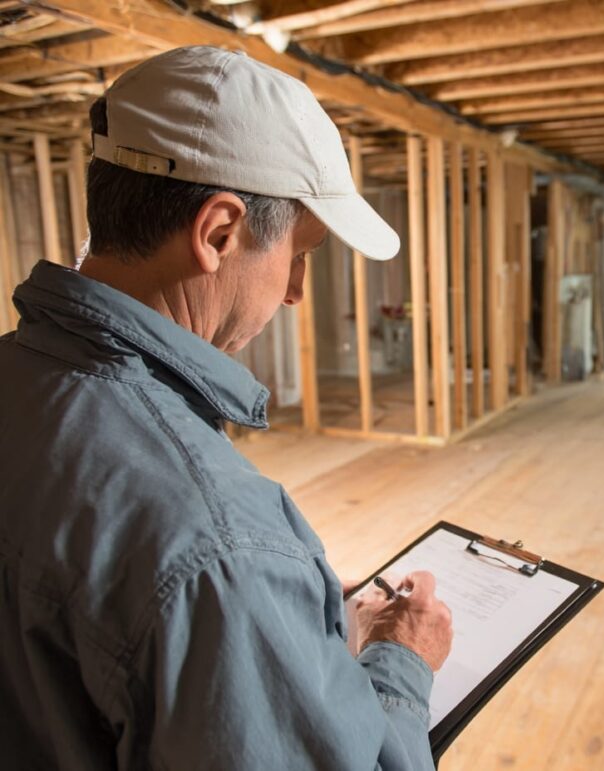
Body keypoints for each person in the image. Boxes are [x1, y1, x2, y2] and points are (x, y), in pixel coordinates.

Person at [0, 46, 452, 769]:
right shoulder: (221, 543)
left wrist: (281, 616)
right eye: (299, 252)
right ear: (218, 232)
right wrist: (401, 660)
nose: (297, 289)